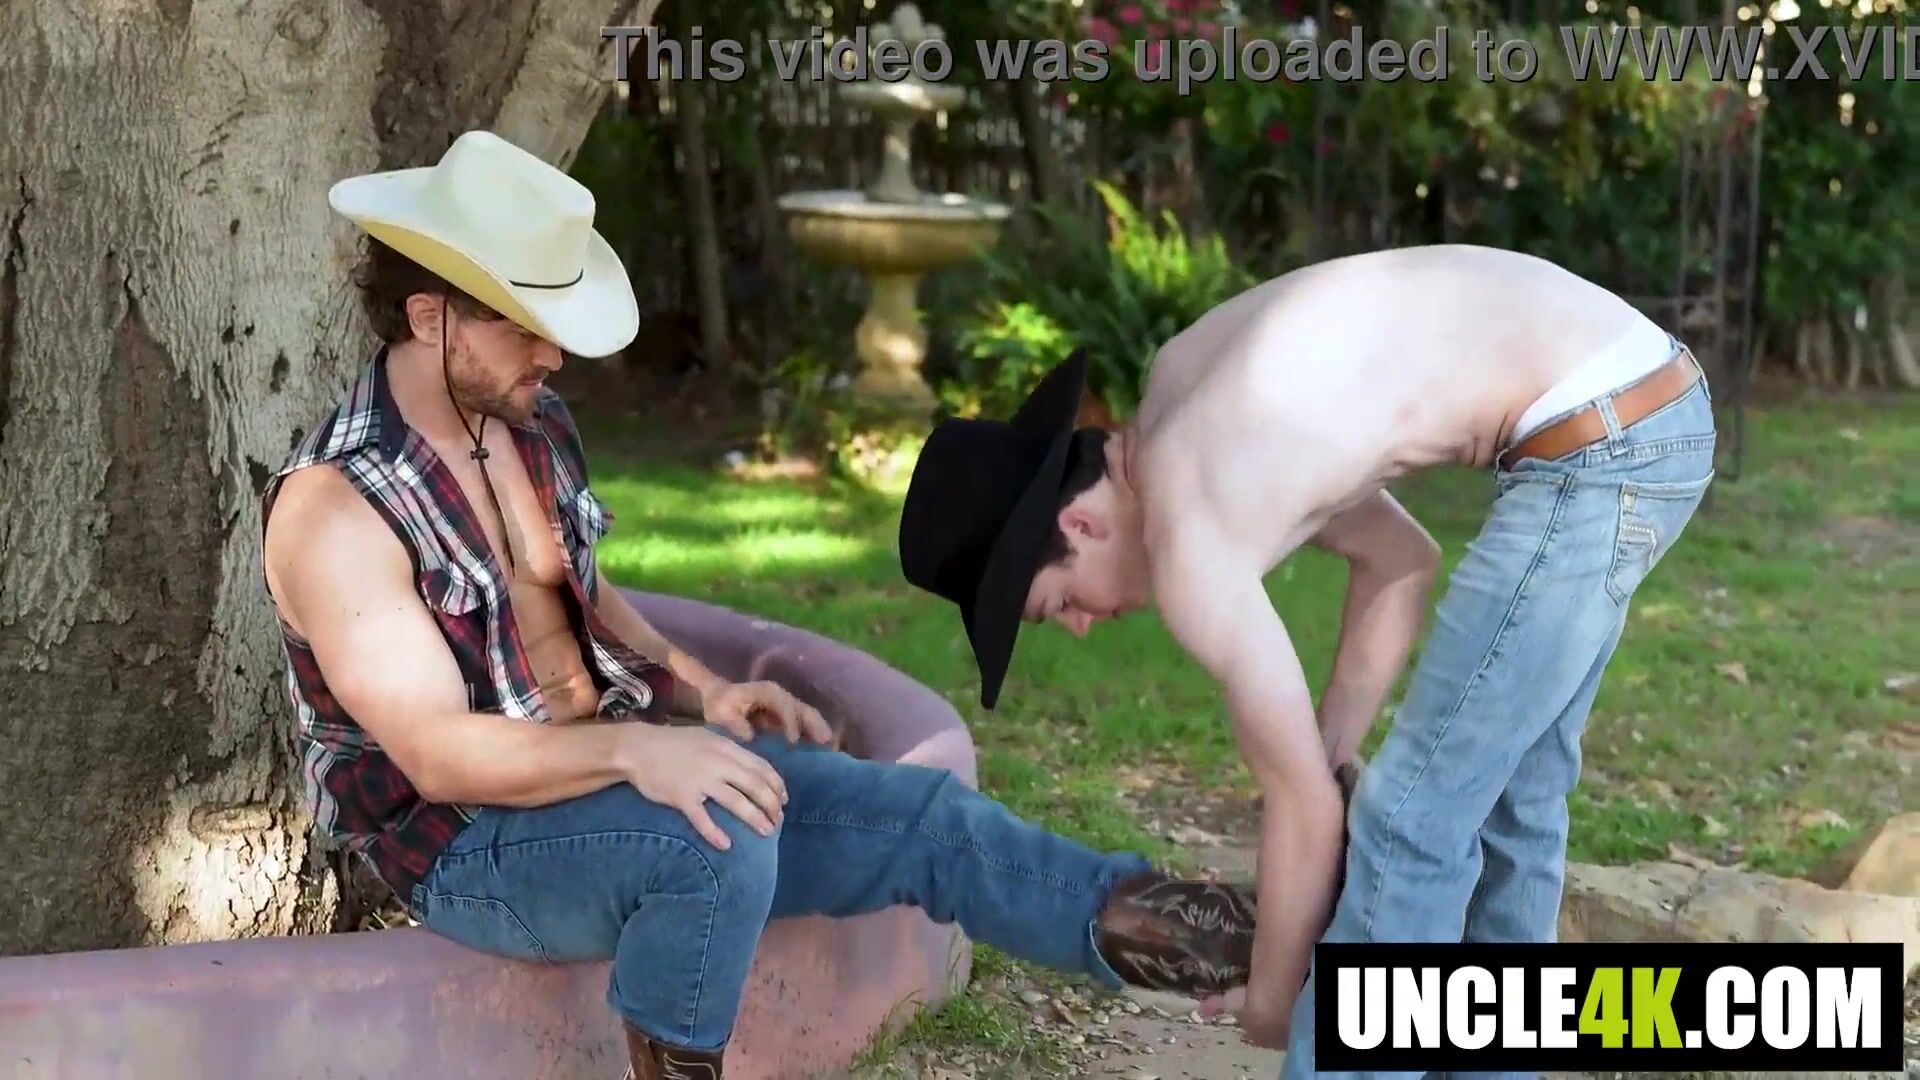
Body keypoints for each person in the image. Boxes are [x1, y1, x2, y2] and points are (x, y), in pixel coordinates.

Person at [260, 130, 1262, 1080]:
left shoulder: (528, 420)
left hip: (597, 777)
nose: (553, 354)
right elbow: (437, 755)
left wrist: (705, 693)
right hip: (469, 847)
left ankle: (1249, 948)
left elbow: (578, 591)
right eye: (525, 326)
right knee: (716, 839)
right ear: (430, 315)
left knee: (921, 816)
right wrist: (640, 752)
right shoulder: (339, 507)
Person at [897, 243, 1718, 1076]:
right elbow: (1401, 560)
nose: (1081, 626)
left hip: (1599, 443)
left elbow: (1306, 809)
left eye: (1057, 603)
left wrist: (1271, 997)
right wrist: (1327, 753)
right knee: (1508, 807)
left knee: (1409, 822)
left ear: (1078, 524)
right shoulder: (1192, 398)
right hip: (1644, 400)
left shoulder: (1189, 527)